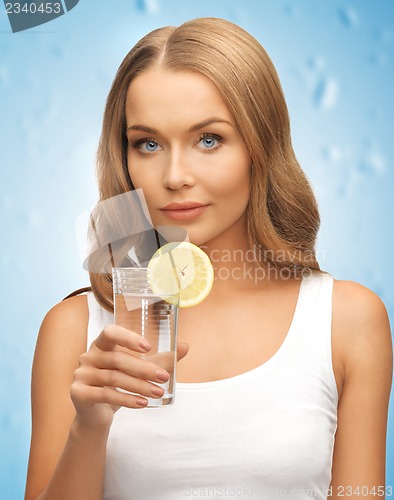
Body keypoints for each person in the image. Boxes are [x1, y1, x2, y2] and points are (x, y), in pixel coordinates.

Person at [25, 17, 392, 500]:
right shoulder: (75, 331)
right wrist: (88, 428)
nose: (175, 175)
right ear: (125, 155)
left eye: (209, 139)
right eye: (148, 143)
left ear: (260, 148)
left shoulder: (345, 321)